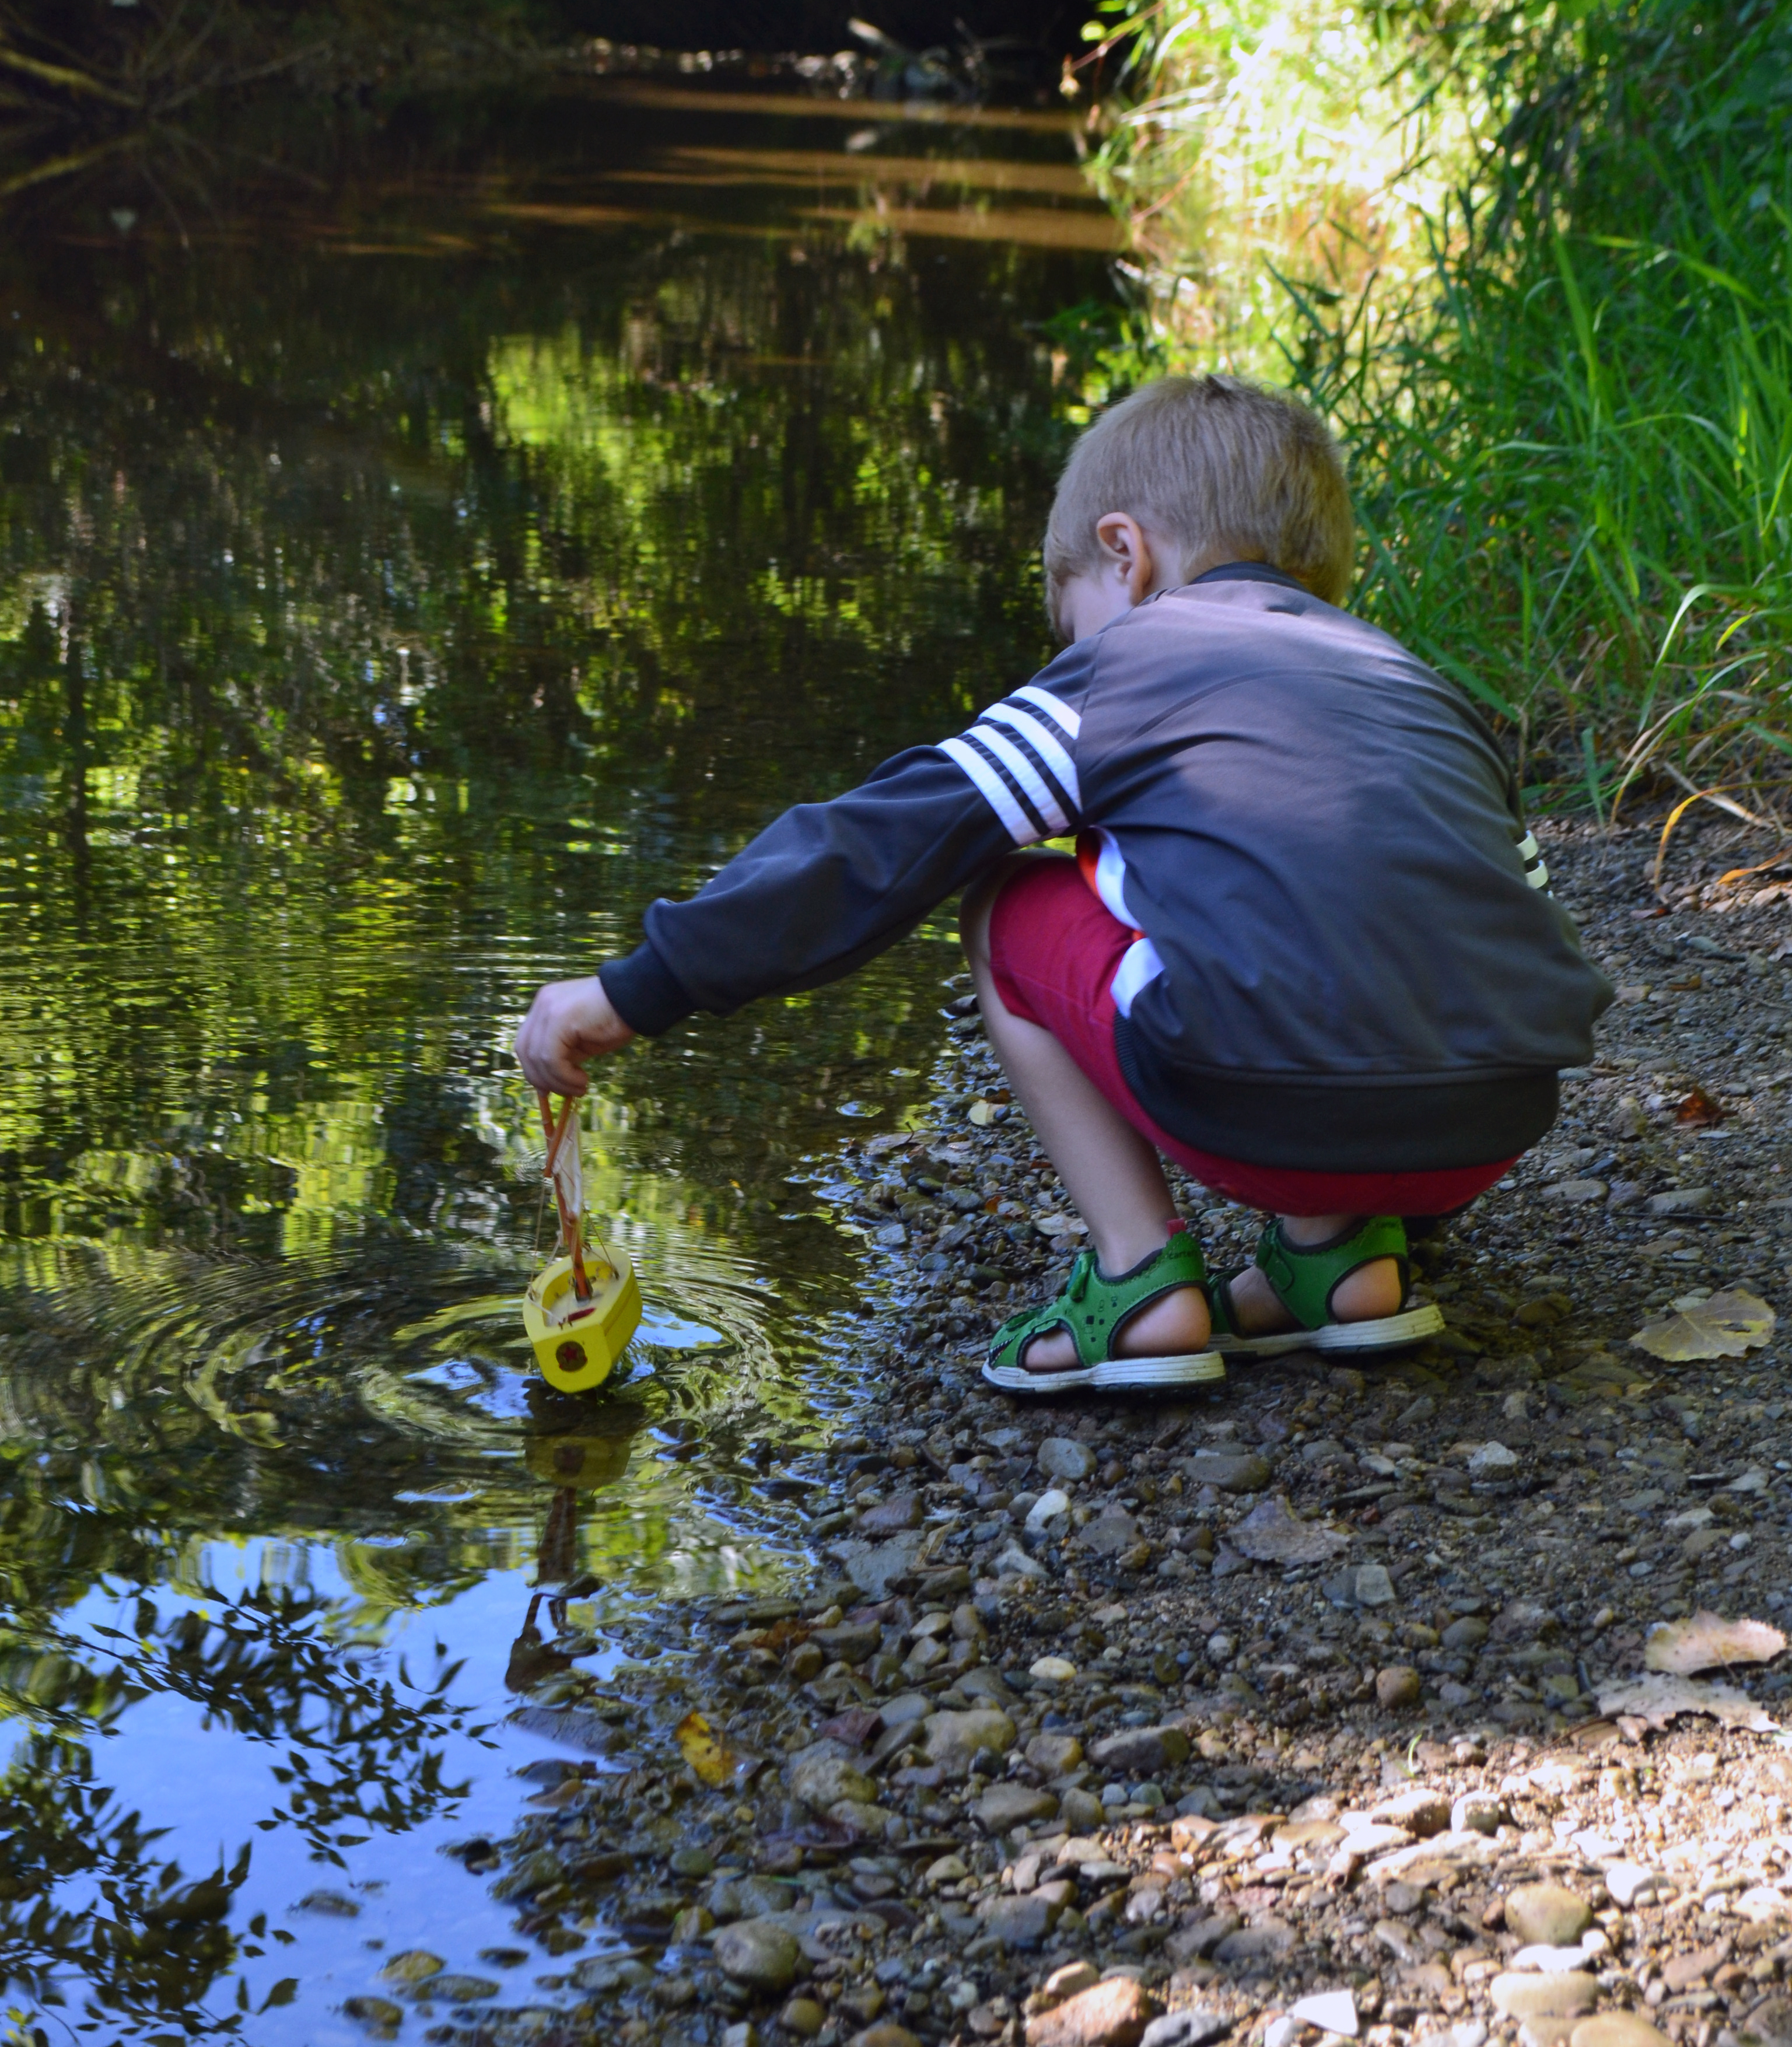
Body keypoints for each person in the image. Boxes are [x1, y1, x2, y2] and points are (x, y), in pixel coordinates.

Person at [516, 374, 1610, 1391]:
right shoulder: (1415, 686)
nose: (1067, 649)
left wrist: (633, 991)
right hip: (1493, 1120)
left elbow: (882, 844)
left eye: (1067, 617)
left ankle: (1141, 1286)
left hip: (1255, 1103)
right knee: (1330, 924)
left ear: (1124, 555)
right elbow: (1501, 914)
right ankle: (1337, 1266)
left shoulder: (1133, 665)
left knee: (1005, 891)